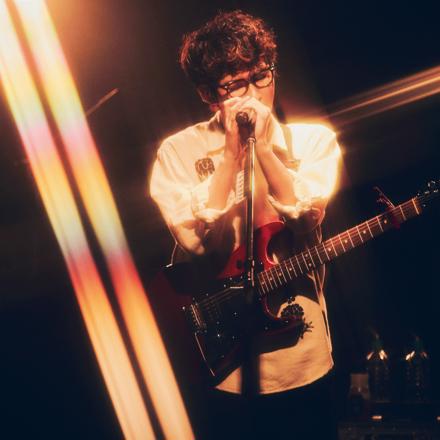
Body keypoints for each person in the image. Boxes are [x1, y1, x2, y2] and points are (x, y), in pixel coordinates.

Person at [150, 10, 341, 439]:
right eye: (235, 84)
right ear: (208, 93)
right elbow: (194, 243)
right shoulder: (177, 152)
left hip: (303, 361)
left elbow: (304, 217)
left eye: (261, 76)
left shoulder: (312, 141)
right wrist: (230, 158)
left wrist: (265, 151)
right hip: (226, 368)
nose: (254, 93)